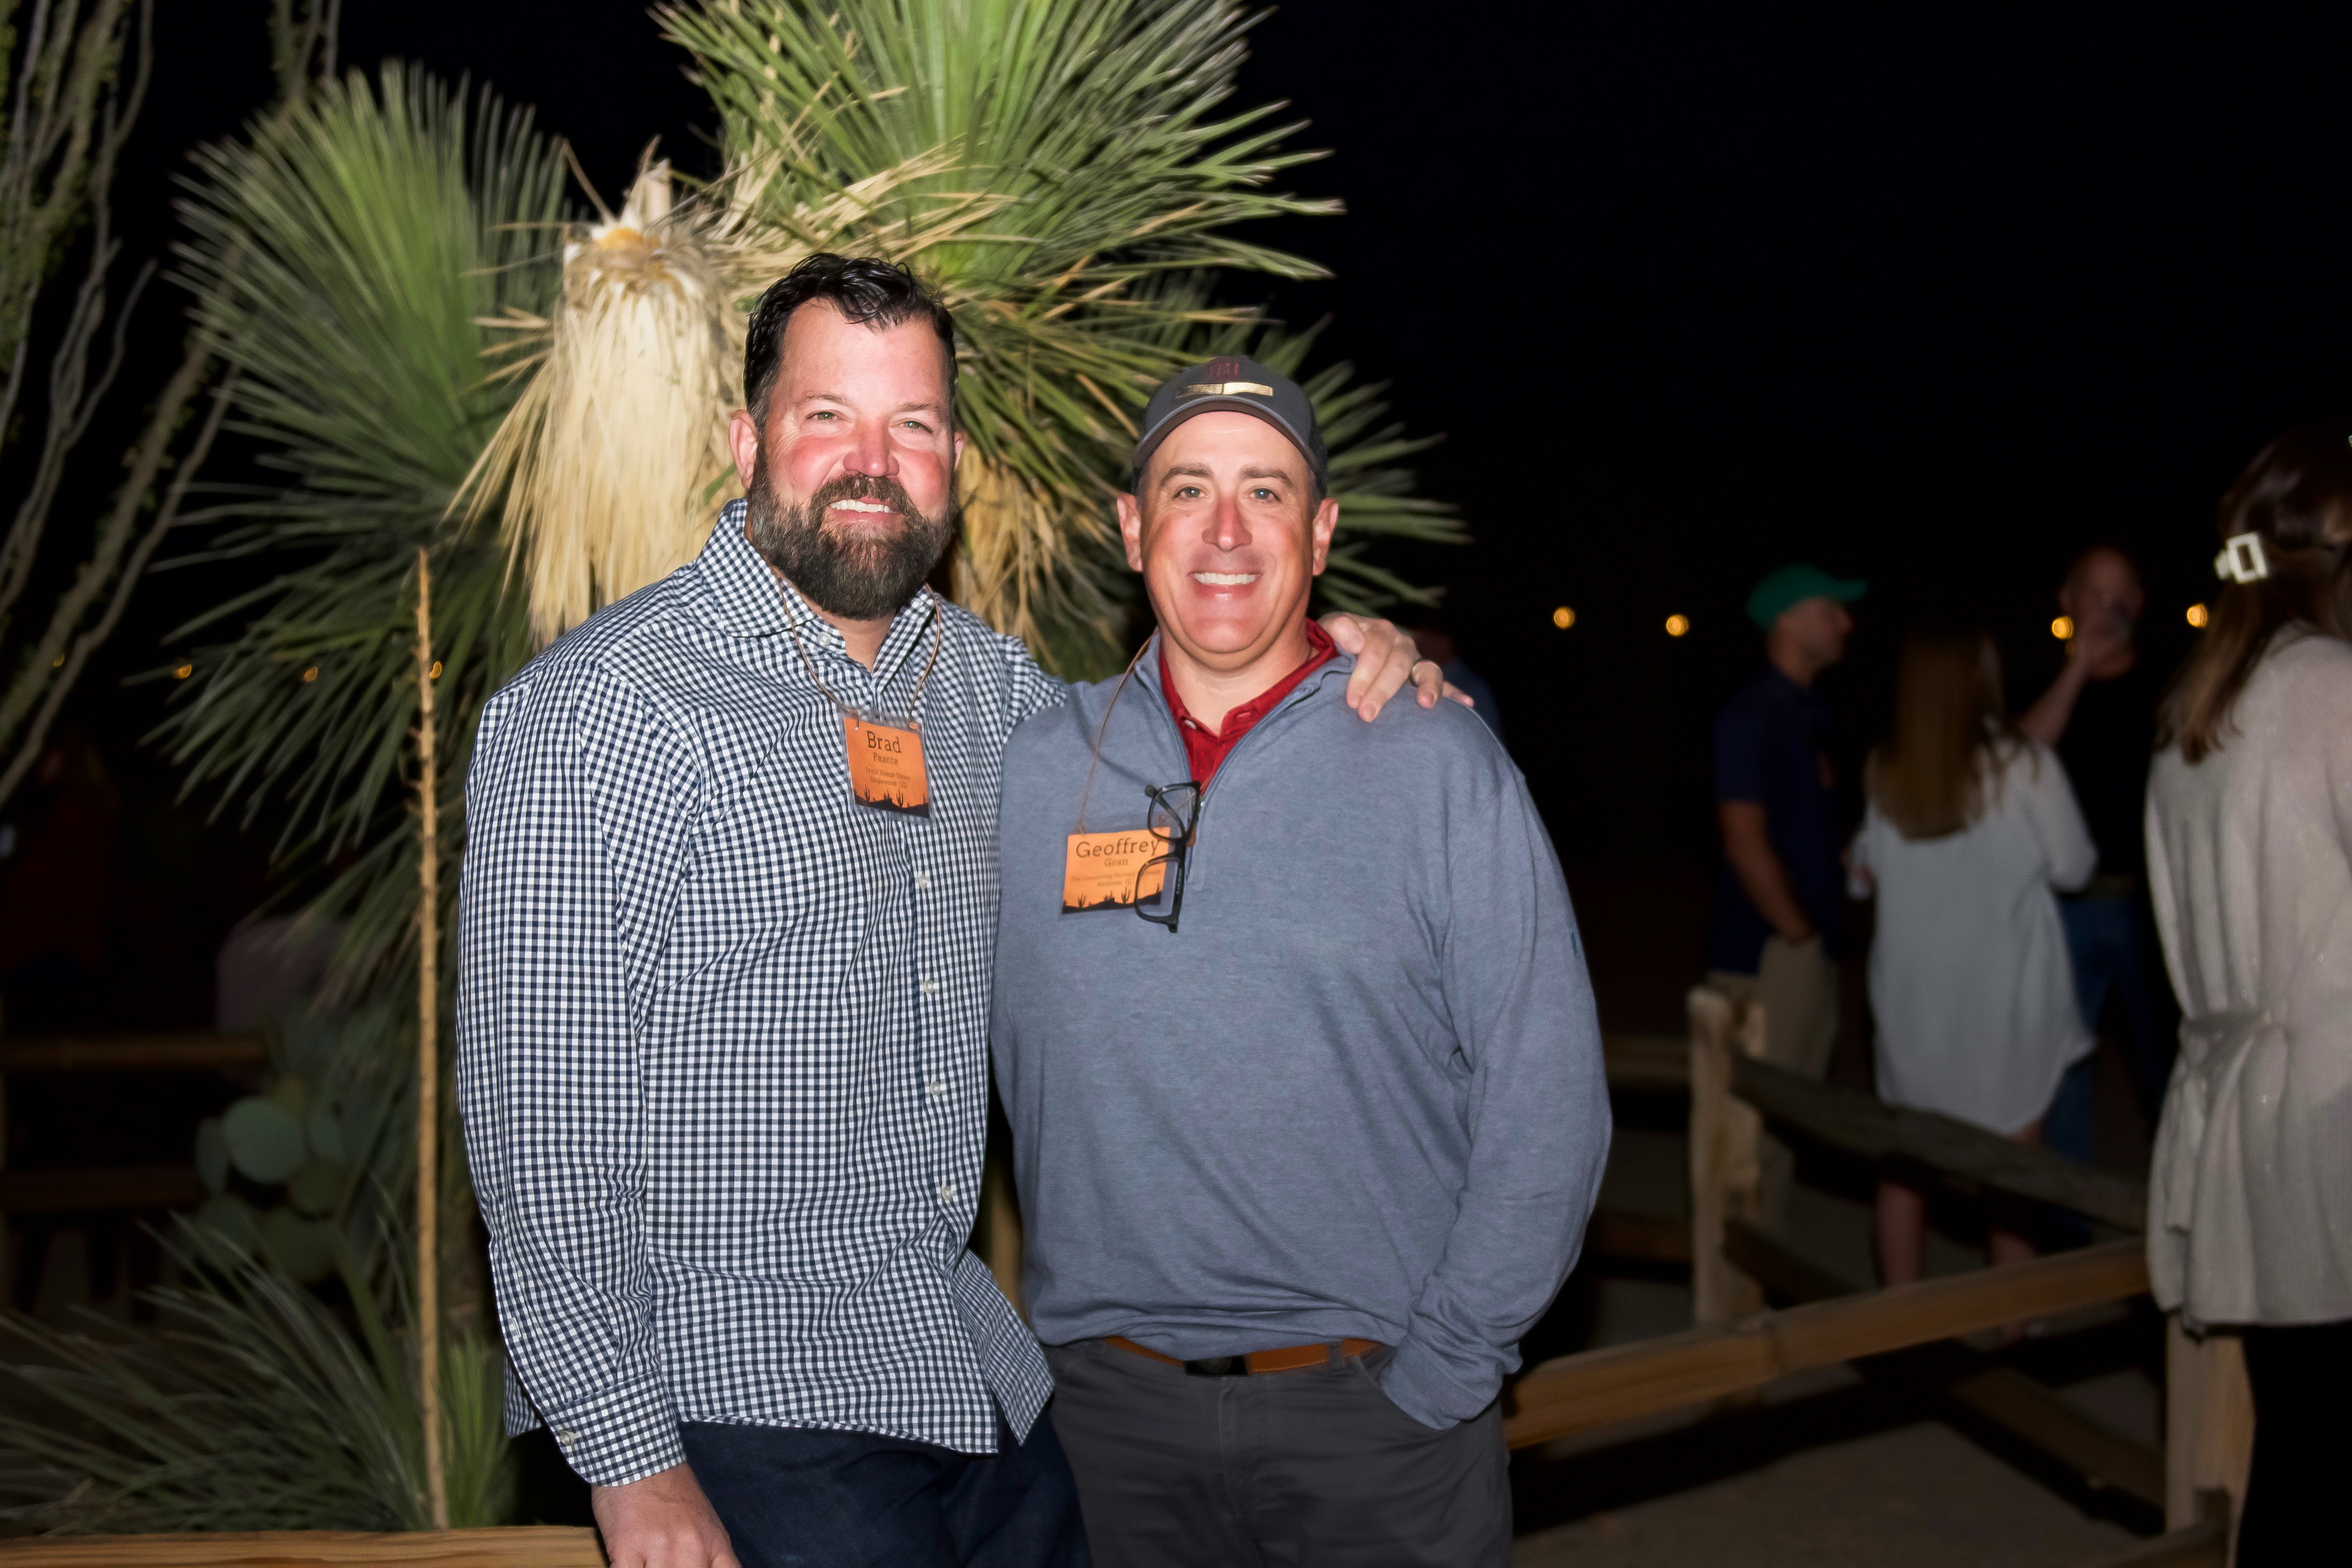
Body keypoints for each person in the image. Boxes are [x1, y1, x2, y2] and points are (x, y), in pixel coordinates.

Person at [455, 259, 1445, 1568]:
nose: (871, 462)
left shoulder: (993, 699)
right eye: (827, 419)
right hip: (733, 1399)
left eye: (911, 425)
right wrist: (630, 1462)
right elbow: (539, 1119)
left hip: (959, 1365)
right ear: (746, 442)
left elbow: (1175, 854)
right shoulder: (605, 715)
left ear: (954, 460)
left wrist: (1326, 669)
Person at [989, 357, 1610, 1566]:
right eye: (1187, 490)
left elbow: (1550, 1098)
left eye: (1266, 493)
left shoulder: (1439, 764)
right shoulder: (1027, 766)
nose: (1226, 531)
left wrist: (1445, 1374)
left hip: (1377, 1424)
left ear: (1320, 532)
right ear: (1130, 527)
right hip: (1110, 1435)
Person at [2144, 426, 2352, 1564]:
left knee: (2307, 1442)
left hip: (2248, 1122)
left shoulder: (2194, 710)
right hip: (2329, 1118)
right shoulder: (2329, 688)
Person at [1849, 629, 2094, 1290]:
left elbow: (1860, 874)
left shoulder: (1885, 768)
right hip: (2002, 1009)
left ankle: (1902, 1325)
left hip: (1913, 1011)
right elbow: (2076, 868)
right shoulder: (2025, 765)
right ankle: (2011, 1325)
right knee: (2012, 1172)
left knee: (1906, 1170)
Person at [1707, 563, 1863, 1224]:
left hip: (1807, 944)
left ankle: (1758, 1291)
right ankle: (1730, 1298)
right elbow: (1744, 842)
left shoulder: (1809, 710)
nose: (1847, 623)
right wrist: (1797, 933)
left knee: (1784, 1132)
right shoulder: (1752, 714)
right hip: (1769, 951)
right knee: (1750, 1131)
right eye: (1833, 609)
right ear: (1791, 620)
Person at [2019, 546, 2175, 1164]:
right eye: (2095, 596)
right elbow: (2016, 762)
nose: (2109, 612)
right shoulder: (2043, 687)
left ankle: (2189, 1221)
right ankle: (2065, 1232)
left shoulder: (2170, 689)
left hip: (2152, 910)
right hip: (2065, 910)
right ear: (2066, 600)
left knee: (2171, 1064)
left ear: (2140, 604)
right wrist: (2078, 668)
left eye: (2122, 598)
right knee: (2062, 1070)